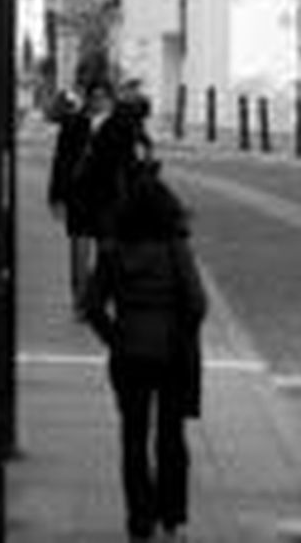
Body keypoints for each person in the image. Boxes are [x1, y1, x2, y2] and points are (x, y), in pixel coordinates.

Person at [80, 172, 208, 543]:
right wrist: (181, 333)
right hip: (171, 354)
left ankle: (140, 522)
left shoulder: (113, 250)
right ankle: (172, 519)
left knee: (133, 438)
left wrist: (115, 337)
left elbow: (92, 305)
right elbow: (197, 303)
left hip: (129, 353)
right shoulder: (176, 249)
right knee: (171, 437)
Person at [49, 71, 147, 302]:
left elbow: (130, 163)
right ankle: (81, 299)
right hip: (79, 196)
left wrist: (135, 198)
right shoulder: (73, 124)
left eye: (103, 96)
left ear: (111, 98)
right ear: (88, 98)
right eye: (94, 96)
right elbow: (61, 162)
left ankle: (100, 298)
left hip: (108, 197)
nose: (99, 101)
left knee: (107, 252)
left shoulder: (122, 125)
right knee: (79, 251)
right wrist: (56, 196)